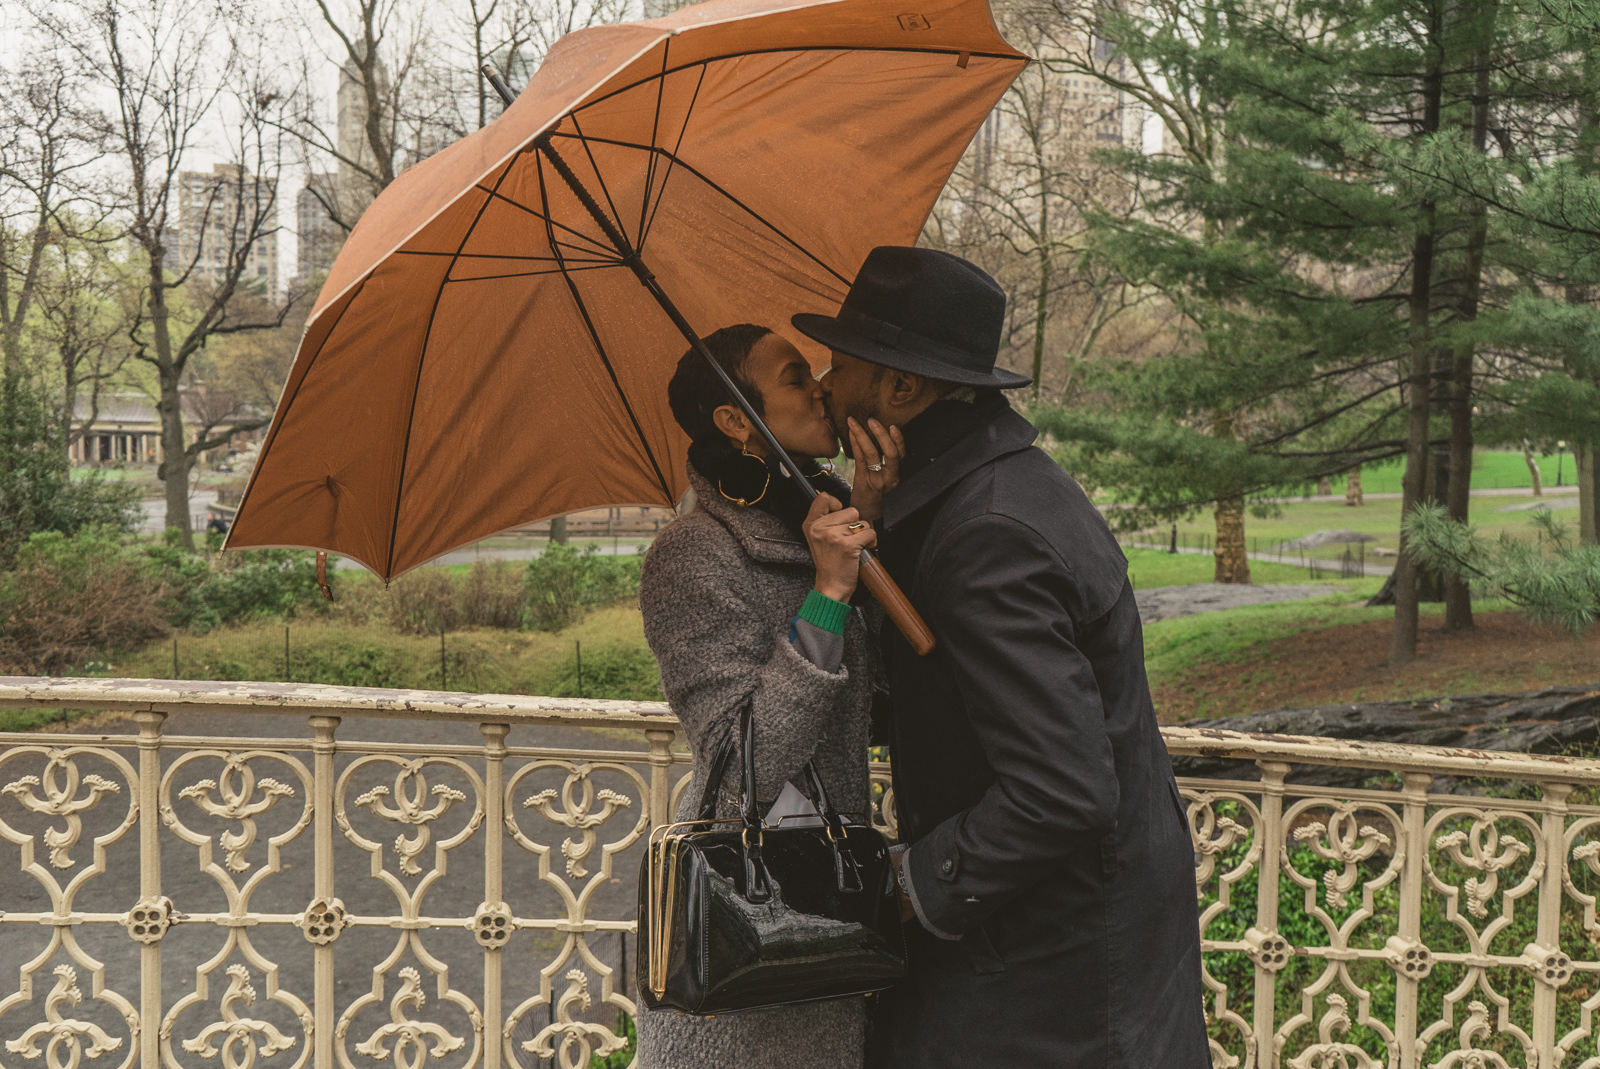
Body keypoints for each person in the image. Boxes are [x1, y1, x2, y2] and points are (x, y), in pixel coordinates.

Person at [792, 247, 1210, 1068]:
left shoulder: (986, 534)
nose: (828, 386)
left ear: (903, 392)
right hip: (1065, 933)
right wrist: (877, 518)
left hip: (1051, 967)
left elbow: (1062, 787)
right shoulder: (993, 485)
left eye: (844, 366)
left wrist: (912, 885)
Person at [634, 323, 903, 1069]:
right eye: (792, 376)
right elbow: (743, 761)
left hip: (833, 919)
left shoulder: (822, 522)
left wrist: (873, 516)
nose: (819, 383)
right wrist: (825, 595)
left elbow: (880, 706)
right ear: (734, 420)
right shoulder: (693, 555)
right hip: (745, 942)